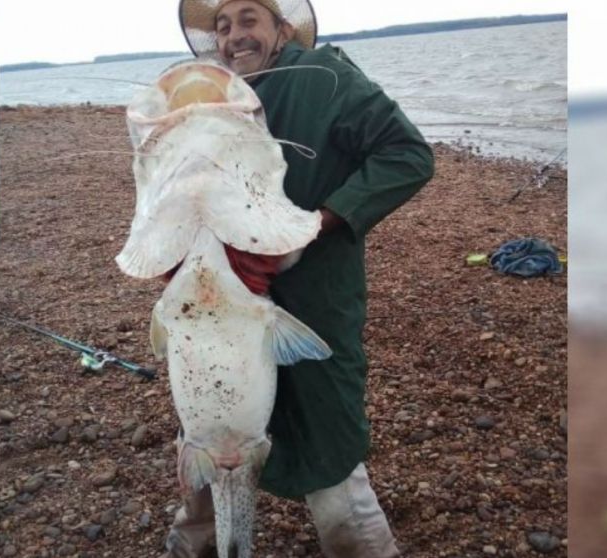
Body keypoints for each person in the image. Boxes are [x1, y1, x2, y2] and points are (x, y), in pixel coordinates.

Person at [162, 1, 435, 556]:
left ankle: (361, 546)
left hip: (312, 298)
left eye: (248, 19)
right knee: (210, 432)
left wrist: (318, 224)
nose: (234, 35)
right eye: (222, 26)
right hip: (215, 304)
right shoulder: (211, 99)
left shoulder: (326, 77)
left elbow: (407, 155)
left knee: (327, 438)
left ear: (283, 28)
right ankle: (191, 546)